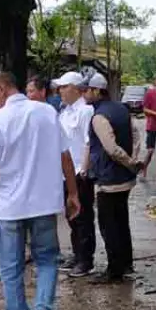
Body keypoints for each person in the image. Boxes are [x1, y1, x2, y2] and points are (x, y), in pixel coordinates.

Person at [0, 71, 81, 310]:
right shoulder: (47, 113)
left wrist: (4, 173)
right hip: (45, 203)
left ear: (2, 89)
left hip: (12, 206)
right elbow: (65, 157)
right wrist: (72, 193)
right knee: (47, 259)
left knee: (10, 267)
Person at [84, 73, 143, 283]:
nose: (85, 94)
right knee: (121, 221)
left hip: (109, 179)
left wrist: (128, 161)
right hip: (125, 179)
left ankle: (114, 270)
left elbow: (110, 149)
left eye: (87, 90)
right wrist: (134, 160)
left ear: (97, 91)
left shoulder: (99, 117)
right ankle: (126, 264)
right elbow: (136, 135)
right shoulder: (121, 109)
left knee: (109, 225)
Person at [53, 71, 96, 278]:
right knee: (71, 216)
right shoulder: (65, 112)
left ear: (76, 89)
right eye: (59, 87)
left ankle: (86, 260)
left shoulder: (85, 112)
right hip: (65, 173)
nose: (60, 91)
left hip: (79, 172)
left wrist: (84, 171)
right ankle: (77, 253)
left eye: (64, 86)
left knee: (83, 217)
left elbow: (89, 143)